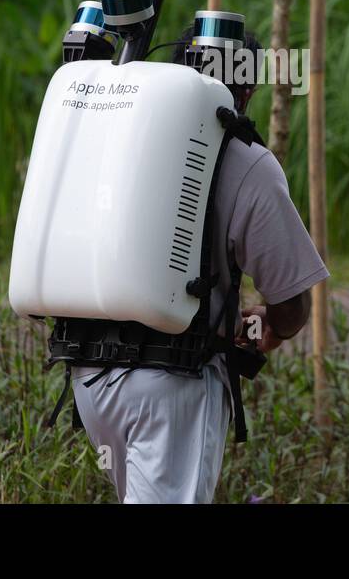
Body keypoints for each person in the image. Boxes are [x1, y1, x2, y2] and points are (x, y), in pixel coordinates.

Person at [71, 27, 329, 503]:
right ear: (247, 91)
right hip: (174, 385)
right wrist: (270, 325)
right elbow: (292, 302)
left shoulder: (124, 138)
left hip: (90, 375)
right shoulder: (249, 162)